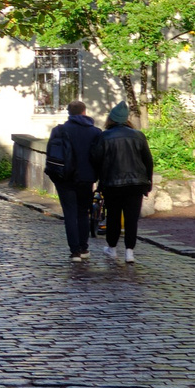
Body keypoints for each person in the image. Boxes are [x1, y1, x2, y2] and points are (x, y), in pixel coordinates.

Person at [43, 101, 104, 262]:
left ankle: (75, 251)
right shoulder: (95, 132)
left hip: (64, 177)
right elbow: (100, 157)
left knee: (70, 213)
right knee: (83, 212)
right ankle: (84, 247)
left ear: (69, 113)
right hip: (86, 178)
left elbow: (51, 154)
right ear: (84, 112)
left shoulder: (59, 130)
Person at [95, 102, 154, 265]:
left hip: (112, 184)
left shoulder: (104, 136)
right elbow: (148, 161)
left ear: (110, 119)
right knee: (131, 218)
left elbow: (97, 160)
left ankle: (112, 248)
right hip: (136, 184)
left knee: (113, 216)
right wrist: (148, 181)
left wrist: (99, 182)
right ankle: (130, 252)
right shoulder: (138, 135)